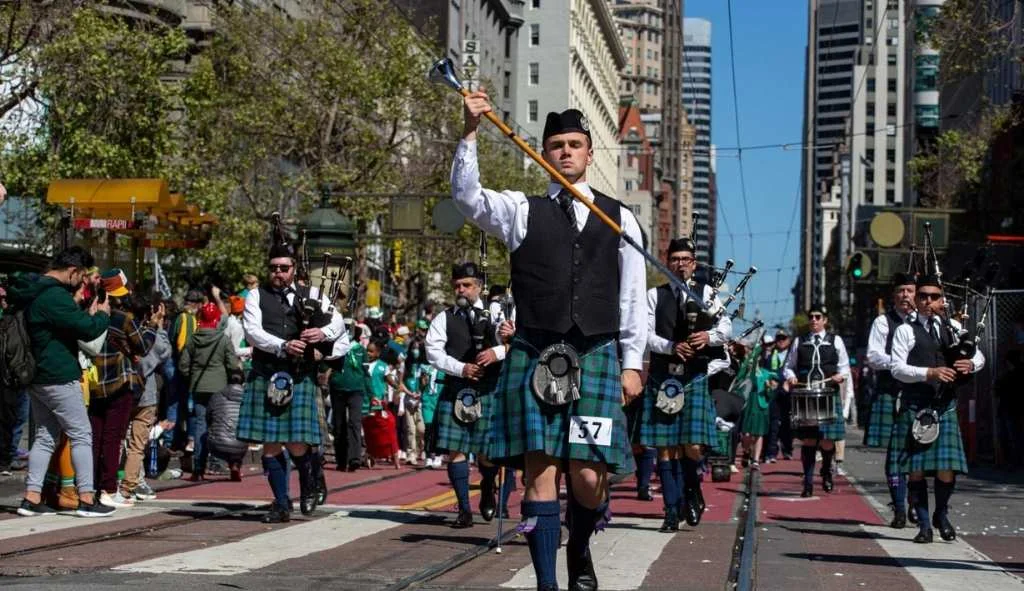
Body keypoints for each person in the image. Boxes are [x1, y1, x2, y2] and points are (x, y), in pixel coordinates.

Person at [454, 94, 647, 591]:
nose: (565, 153)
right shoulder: (521, 210)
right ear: (543, 153)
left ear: (589, 154)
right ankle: (546, 583)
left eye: (575, 145)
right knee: (539, 474)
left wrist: (633, 365)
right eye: (556, 145)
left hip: (597, 356)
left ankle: (579, 547)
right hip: (536, 357)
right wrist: (470, 130)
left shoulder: (620, 219)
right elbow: (468, 198)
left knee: (587, 479)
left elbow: (631, 300)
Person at [237, 233, 347, 523]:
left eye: (283, 268)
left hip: (300, 375)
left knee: (298, 443)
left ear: (294, 268)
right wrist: (282, 345)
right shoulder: (255, 296)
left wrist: (322, 333)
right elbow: (252, 332)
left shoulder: (311, 294)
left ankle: (311, 479)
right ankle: (282, 503)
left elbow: (337, 321)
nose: (278, 273)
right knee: (271, 443)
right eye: (273, 268)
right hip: (267, 373)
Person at [10, 247, 114, 517]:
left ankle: (31, 498)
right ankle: (87, 498)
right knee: (81, 433)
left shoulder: (32, 290)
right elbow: (87, 329)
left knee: (46, 436)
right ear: (72, 271)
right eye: (81, 277)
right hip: (58, 373)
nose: (81, 282)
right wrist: (102, 314)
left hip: (36, 375)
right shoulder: (55, 296)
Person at [640, 237, 732, 532]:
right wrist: (670, 346)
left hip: (693, 377)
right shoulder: (654, 295)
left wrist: (708, 338)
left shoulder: (707, 293)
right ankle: (670, 509)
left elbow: (726, 328)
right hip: (663, 376)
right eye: (675, 258)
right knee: (666, 448)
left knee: (691, 447)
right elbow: (644, 334)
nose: (680, 263)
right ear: (667, 261)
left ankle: (692, 489)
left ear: (694, 263)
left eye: (685, 259)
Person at [890, 274, 984, 543]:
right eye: (923, 296)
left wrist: (971, 365)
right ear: (915, 299)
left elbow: (978, 354)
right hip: (916, 405)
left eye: (934, 296)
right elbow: (897, 368)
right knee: (916, 470)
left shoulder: (952, 326)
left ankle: (940, 514)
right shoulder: (905, 330)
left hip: (945, 406)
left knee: (946, 469)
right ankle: (924, 526)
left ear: (942, 299)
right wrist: (929, 372)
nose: (928, 301)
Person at [426, 262, 508, 527]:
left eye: (467, 285)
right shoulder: (444, 317)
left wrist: (498, 349)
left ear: (479, 287)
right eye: (457, 285)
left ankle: (487, 486)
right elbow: (434, 353)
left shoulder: (496, 315)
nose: (461, 290)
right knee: (456, 451)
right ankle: (463, 510)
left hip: (488, 389)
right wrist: (462, 368)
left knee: (486, 453)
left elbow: (508, 342)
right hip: (457, 388)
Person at [90, 269, 153, 507]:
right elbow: (143, 346)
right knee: (113, 437)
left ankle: (90, 487)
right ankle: (108, 488)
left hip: (94, 382)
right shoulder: (124, 318)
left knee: (94, 437)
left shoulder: (90, 312)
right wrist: (153, 327)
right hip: (119, 381)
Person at [865, 273, 916, 528]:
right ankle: (899, 507)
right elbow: (873, 356)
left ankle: (917, 505)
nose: (906, 295)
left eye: (910, 290)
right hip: (892, 392)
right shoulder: (883, 322)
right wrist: (898, 364)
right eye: (901, 291)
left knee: (920, 454)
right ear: (894, 295)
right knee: (896, 454)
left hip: (922, 394)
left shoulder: (928, 322)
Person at [783, 305, 851, 497]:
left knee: (828, 442)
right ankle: (808, 482)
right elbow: (788, 366)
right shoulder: (799, 341)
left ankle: (827, 471)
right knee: (810, 441)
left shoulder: (835, 341)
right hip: (807, 395)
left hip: (828, 394)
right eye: (811, 317)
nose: (813, 320)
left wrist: (840, 376)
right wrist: (791, 377)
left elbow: (844, 367)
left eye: (817, 316)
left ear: (825, 320)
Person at [179, 302, 239, 480]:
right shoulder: (223, 340)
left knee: (200, 426)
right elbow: (232, 365)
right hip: (220, 389)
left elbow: (183, 365)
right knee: (225, 426)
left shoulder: (193, 340)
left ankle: (198, 468)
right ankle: (233, 465)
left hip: (199, 387)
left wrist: (192, 375)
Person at [122, 295, 171, 501]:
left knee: (120, 441)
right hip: (145, 394)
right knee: (137, 445)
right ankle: (132, 484)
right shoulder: (149, 336)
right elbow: (164, 352)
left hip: (122, 390)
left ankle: (111, 483)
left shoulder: (124, 330)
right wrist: (158, 327)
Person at [326, 322, 369, 472]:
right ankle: (341, 460)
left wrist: (373, 395)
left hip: (356, 390)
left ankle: (355, 458)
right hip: (337, 389)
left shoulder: (361, 351)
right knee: (339, 425)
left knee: (354, 423)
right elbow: (326, 367)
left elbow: (366, 373)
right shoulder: (334, 348)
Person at [764, 329, 792, 461]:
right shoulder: (770, 355)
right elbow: (765, 371)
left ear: (789, 340)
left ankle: (787, 449)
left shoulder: (793, 354)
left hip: (789, 392)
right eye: (778, 338)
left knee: (788, 422)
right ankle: (771, 452)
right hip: (774, 393)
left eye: (784, 338)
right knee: (773, 423)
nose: (781, 340)